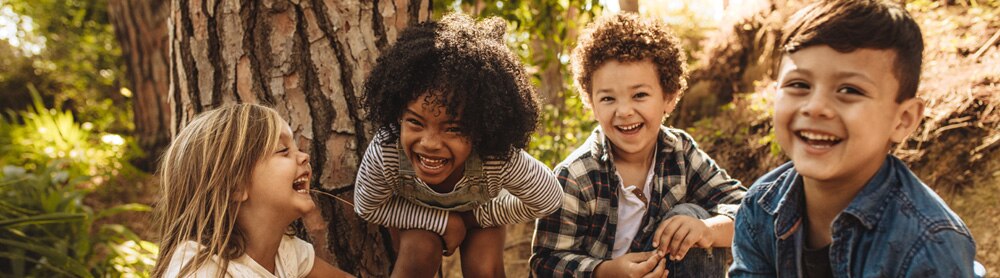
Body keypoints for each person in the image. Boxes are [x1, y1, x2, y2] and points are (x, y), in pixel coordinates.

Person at [729, 1, 976, 277]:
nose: (815, 106)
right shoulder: (760, 205)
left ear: (903, 119)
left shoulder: (930, 244)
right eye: (799, 85)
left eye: (849, 90)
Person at [530, 13, 747, 277]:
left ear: (669, 96)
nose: (624, 111)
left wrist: (708, 229)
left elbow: (750, 211)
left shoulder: (679, 152)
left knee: (690, 216)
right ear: (592, 105)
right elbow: (545, 262)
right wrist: (606, 272)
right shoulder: (576, 176)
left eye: (640, 95)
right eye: (608, 98)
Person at [353, 13, 563, 277]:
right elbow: (367, 206)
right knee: (419, 251)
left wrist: (474, 218)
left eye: (453, 129)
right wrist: (443, 221)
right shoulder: (387, 150)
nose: (429, 143)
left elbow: (548, 198)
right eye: (416, 123)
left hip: (480, 215)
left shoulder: (495, 157)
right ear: (399, 115)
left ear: (480, 130)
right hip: (417, 217)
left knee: (483, 268)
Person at [151, 104, 350, 278]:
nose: (304, 156)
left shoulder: (284, 252)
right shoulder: (202, 272)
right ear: (236, 186)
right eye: (283, 150)